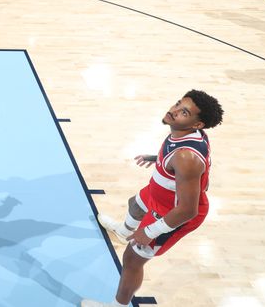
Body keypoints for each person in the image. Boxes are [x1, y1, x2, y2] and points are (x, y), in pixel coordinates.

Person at [82, 90, 224, 307]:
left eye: (184, 112)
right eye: (178, 104)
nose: (174, 111)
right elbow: (176, 159)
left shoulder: (185, 158)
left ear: (198, 124)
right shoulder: (186, 134)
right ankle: (123, 232)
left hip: (175, 212)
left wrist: (149, 232)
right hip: (161, 192)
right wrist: (157, 158)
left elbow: (188, 210)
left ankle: (118, 306)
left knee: (132, 260)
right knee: (135, 204)